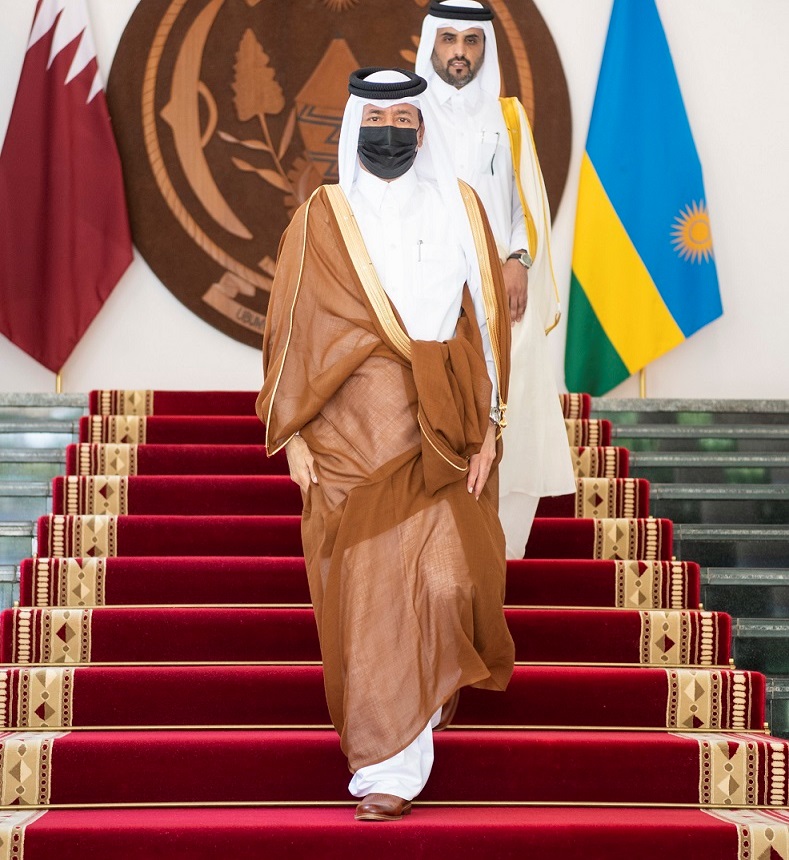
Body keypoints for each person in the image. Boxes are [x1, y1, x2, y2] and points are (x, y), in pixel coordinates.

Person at [256, 68, 515, 822]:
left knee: (445, 582)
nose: (391, 133)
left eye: (405, 119)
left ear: (423, 128)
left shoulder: (461, 205)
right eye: (377, 119)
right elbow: (289, 330)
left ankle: (416, 704)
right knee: (365, 592)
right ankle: (386, 765)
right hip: (344, 430)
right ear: (354, 127)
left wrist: (491, 428)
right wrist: (292, 435)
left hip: (440, 419)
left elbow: (487, 326)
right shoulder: (322, 215)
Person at [415, 0, 576, 558]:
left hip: (498, 292)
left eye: (472, 40)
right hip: (434, 293)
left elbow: (522, 201)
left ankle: (501, 551)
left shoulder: (507, 117)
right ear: (432, 44)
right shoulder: (410, 114)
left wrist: (519, 259)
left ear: (485, 46)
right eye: (449, 39)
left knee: (514, 397)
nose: (460, 52)